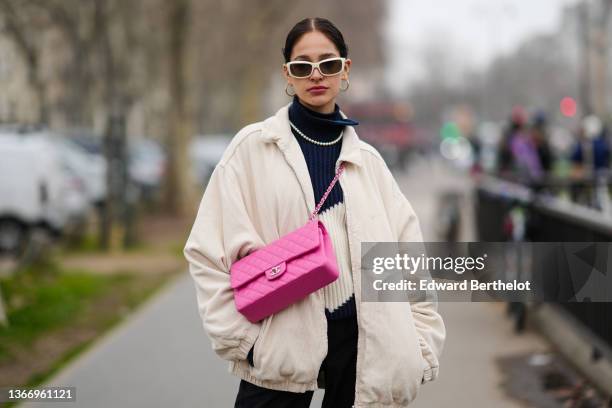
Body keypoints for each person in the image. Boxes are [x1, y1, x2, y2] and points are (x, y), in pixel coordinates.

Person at [184, 17, 445, 408]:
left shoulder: (368, 162)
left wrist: (420, 347)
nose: (316, 75)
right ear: (288, 74)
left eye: (329, 63)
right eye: (303, 66)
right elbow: (206, 252)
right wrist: (245, 344)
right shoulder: (251, 150)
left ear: (346, 69)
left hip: (364, 352)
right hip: (278, 349)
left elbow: (408, 260)